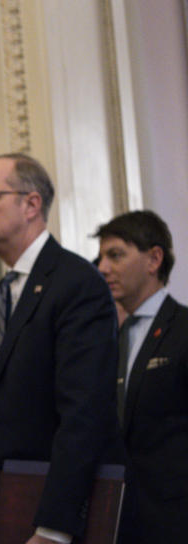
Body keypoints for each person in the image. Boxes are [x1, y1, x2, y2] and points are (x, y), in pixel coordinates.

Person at [0, 153, 119, 544]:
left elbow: (84, 414)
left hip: (48, 515)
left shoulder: (76, 283)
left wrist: (55, 526)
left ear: (31, 204)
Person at [95, 210, 188, 542]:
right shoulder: (107, 339)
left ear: (154, 259)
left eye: (115, 255)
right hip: (118, 521)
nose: (103, 267)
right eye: (100, 257)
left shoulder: (183, 329)